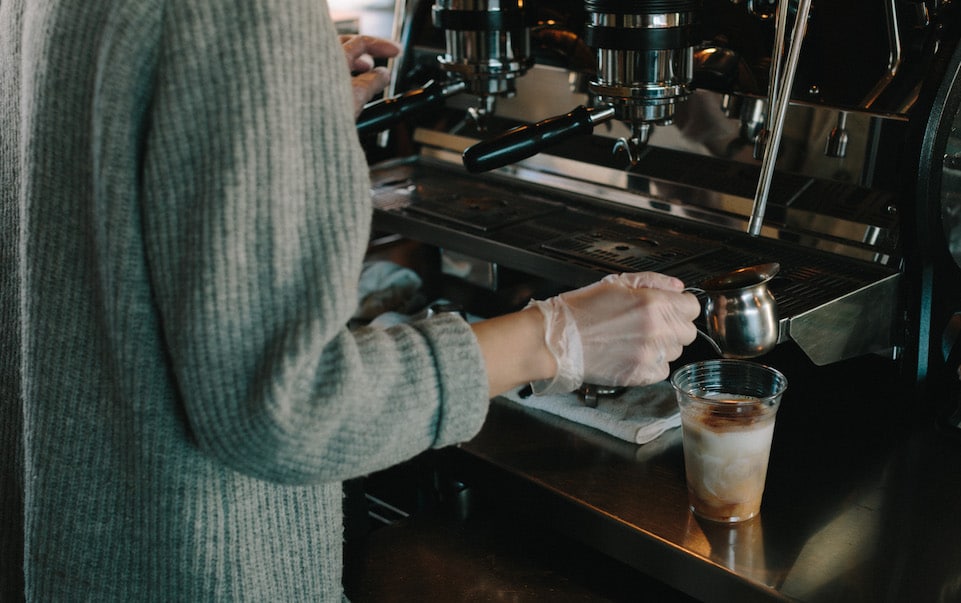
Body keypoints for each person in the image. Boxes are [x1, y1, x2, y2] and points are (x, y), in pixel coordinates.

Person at [0, 2, 699, 600]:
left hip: (79, 535)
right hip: (193, 560)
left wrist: (275, 106)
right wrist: (549, 339)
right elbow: (283, 404)